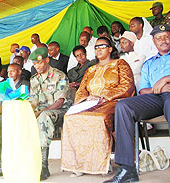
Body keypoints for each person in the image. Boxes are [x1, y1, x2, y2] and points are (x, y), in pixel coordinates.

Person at [103, 24, 170, 183]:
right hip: (154, 97)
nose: (164, 40)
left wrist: (166, 79)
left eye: (166, 36)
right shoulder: (149, 63)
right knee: (123, 106)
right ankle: (127, 169)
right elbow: (143, 90)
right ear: (154, 41)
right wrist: (158, 89)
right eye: (159, 38)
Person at [61, 37, 135, 177]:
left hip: (113, 102)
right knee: (71, 117)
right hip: (90, 103)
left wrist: (104, 97)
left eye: (102, 46)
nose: (98, 49)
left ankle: (101, 164)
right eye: (96, 47)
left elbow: (127, 86)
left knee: (98, 118)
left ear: (110, 48)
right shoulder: (91, 70)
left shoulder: (120, 64)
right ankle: (79, 164)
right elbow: (82, 89)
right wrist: (83, 100)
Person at [29, 47, 72, 180]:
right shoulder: (34, 79)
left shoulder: (60, 76)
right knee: (25, 118)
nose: (37, 66)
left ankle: (43, 166)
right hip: (42, 111)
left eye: (40, 63)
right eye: (35, 64)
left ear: (47, 60)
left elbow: (60, 101)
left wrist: (41, 112)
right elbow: (34, 102)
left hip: (59, 111)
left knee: (43, 117)